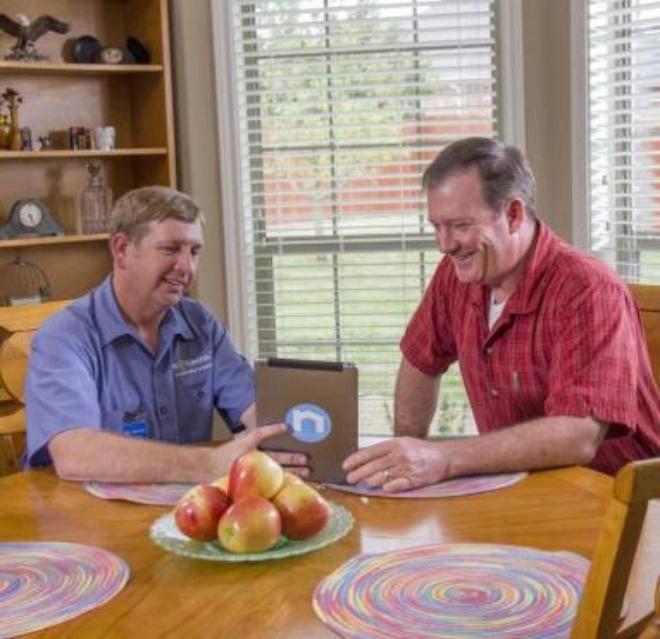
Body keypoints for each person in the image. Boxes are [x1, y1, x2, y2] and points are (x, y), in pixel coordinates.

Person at [343, 137, 660, 492]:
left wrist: (443, 458)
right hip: (522, 492)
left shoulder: (587, 288)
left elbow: (578, 435)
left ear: (513, 214)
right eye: (437, 227)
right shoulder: (457, 275)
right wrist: (403, 459)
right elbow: (420, 361)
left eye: (461, 226)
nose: (445, 244)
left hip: (621, 504)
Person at [25, 186, 307, 483]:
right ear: (121, 250)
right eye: (170, 249)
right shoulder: (64, 336)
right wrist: (208, 464)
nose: (186, 267)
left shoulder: (200, 323)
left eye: (194, 252)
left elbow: (257, 412)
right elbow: (74, 454)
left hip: (183, 509)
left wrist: (304, 442)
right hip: (87, 517)